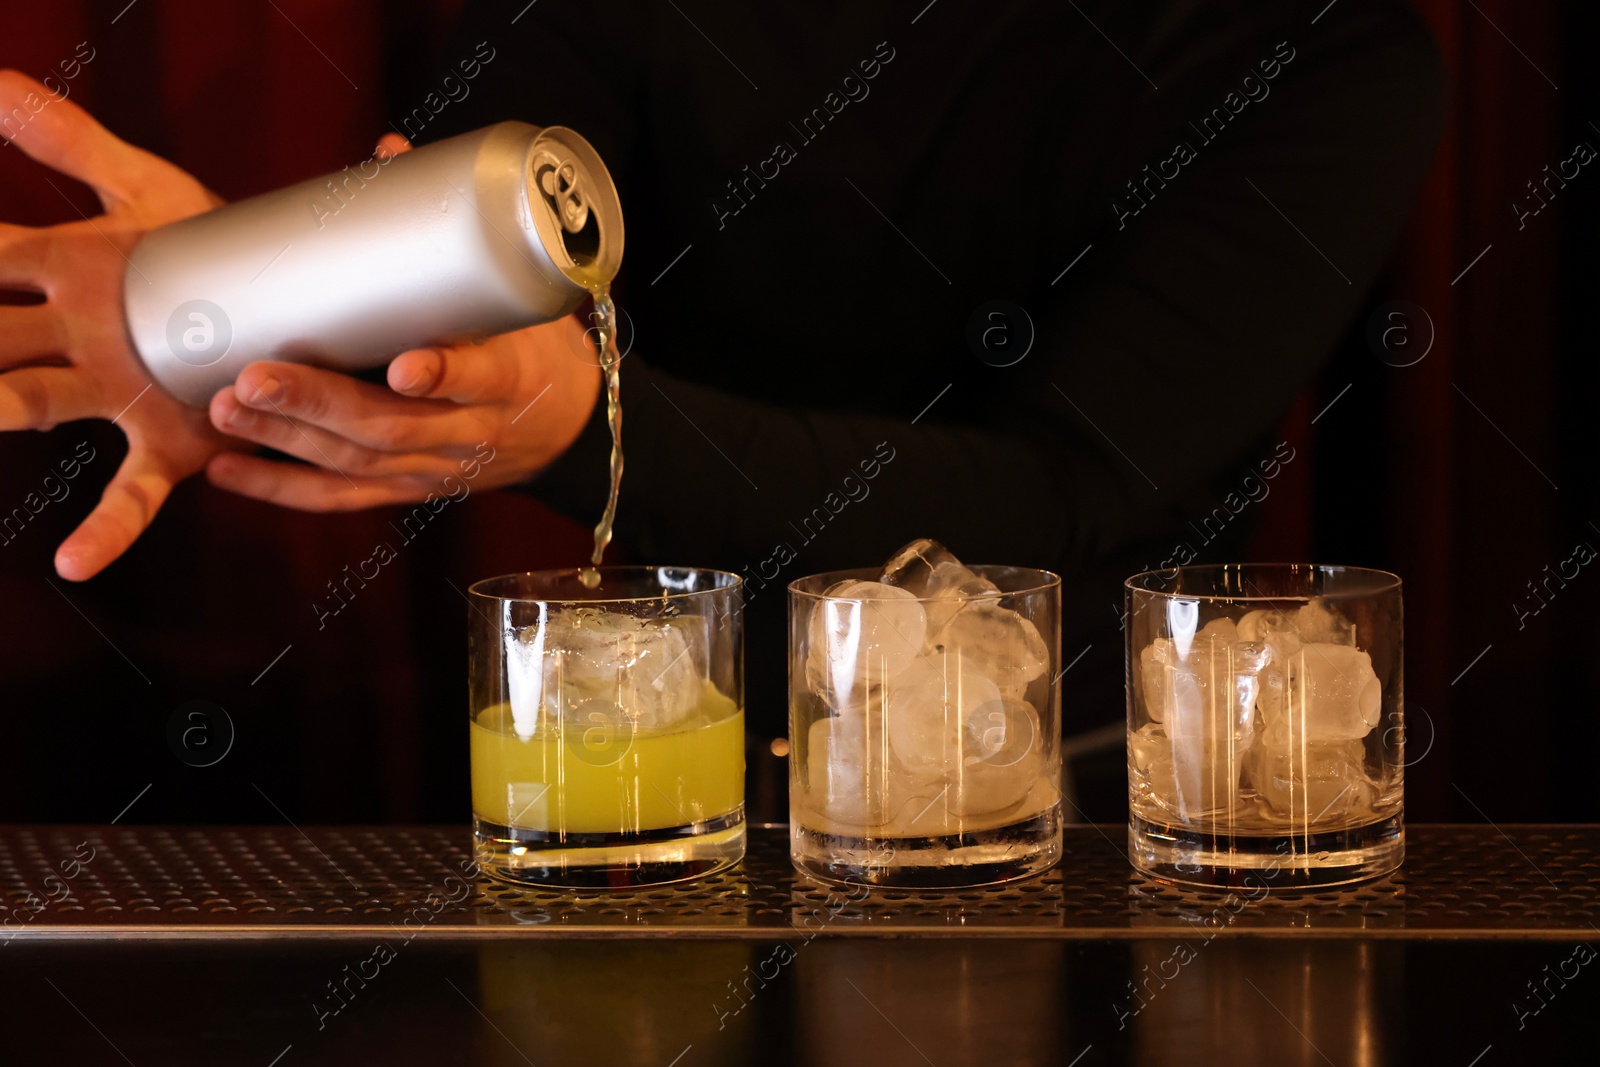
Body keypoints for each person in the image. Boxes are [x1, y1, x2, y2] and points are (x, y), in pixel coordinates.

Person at [0, 0, 1444, 758]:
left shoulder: (1323, 51)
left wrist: (576, 427)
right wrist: (222, 310)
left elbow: (1067, 502)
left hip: (1088, 808)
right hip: (650, 764)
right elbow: (480, 240)